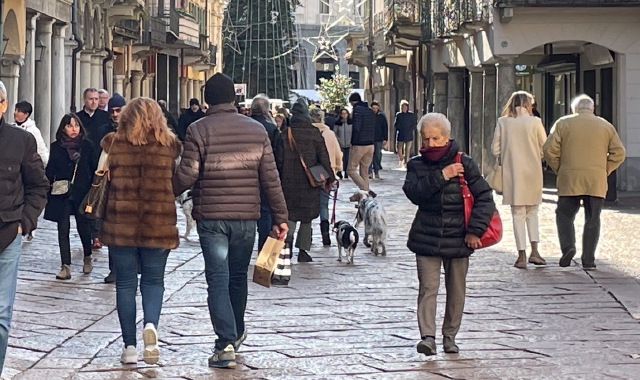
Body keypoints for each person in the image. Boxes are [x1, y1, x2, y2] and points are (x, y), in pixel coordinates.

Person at [173, 73, 288, 369]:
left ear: (207, 99)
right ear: (234, 99)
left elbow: (187, 175)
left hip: (211, 216)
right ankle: (235, 332)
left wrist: (165, 192)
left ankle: (225, 343)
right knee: (237, 277)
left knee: (218, 279)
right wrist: (280, 217)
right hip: (246, 217)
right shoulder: (257, 130)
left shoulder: (198, 130)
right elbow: (270, 178)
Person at [403, 112, 494, 356]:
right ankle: (428, 338)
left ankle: (450, 337)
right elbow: (415, 194)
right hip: (427, 237)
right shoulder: (416, 165)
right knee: (428, 289)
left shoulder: (466, 163)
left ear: (447, 137)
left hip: (459, 237)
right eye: (426, 139)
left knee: (456, 291)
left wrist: (475, 230)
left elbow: (485, 197)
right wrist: (442, 175)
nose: (430, 145)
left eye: (435, 139)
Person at [99, 97, 181, 365]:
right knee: (154, 282)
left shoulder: (113, 144)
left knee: (125, 284)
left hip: (121, 222)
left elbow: (99, 176)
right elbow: (177, 181)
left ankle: (129, 347)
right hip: (158, 223)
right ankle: (151, 326)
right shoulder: (169, 147)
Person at [543, 94, 626, 270]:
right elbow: (619, 152)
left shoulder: (563, 123)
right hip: (596, 179)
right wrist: (605, 170)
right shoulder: (605, 126)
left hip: (570, 178)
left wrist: (560, 168)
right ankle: (589, 259)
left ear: (574, 109)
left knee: (564, 214)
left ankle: (568, 246)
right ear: (592, 108)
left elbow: (549, 150)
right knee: (593, 218)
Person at [0, 81, 49, 374]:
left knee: (1, 313)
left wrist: (24, 223)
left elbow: (38, 186)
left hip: (7, 233)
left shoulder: (21, 140)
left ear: (3, 105)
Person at [492, 91, 547, 269]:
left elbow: (495, 149)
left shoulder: (503, 122)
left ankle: (521, 255)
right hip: (533, 171)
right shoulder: (535, 122)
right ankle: (535, 251)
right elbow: (544, 145)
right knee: (532, 212)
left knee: (517, 214)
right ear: (528, 104)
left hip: (513, 172)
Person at [276, 99, 335, 262]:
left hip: (288, 181)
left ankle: (287, 245)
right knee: (307, 217)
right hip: (310, 182)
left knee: (291, 214)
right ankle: (303, 250)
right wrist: (331, 178)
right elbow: (324, 158)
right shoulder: (314, 133)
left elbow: (278, 160)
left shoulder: (285, 133)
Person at [44, 114, 96, 280]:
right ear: (63, 128)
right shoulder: (56, 146)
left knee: (83, 226)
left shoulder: (86, 146)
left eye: (76, 126)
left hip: (82, 192)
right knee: (63, 228)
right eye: (69, 126)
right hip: (62, 193)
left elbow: (93, 168)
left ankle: (87, 256)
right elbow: (51, 168)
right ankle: (65, 265)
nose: (74, 129)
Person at [76, 88, 111, 249]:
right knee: (85, 197)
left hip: (100, 163)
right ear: (84, 100)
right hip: (83, 163)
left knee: (99, 196)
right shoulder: (77, 118)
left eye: (97, 99)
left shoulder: (104, 118)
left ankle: (96, 234)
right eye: (91, 99)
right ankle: (87, 233)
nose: (94, 102)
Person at [99, 93, 127, 284]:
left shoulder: (133, 131)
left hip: (127, 186)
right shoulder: (103, 130)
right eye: (112, 110)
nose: (115, 114)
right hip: (109, 185)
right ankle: (114, 269)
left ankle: (127, 267)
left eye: (119, 110)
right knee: (110, 228)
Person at [250, 94, 281, 251]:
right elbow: (277, 155)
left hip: (245, 176)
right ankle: (263, 248)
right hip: (265, 176)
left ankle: (245, 249)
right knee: (265, 212)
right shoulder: (271, 128)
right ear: (267, 110)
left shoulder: (244, 125)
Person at [310, 108, 342, 246]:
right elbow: (338, 153)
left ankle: (308, 236)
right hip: (327, 173)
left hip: (310, 173)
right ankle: (325, 234)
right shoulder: (329, 133)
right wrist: (337, 169)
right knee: (324, 205)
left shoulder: (307, 133)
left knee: (309, 205)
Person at [347, 92, 376, 196]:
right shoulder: (370, 111)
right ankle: (366, 198)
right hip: (371, 145)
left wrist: (353, 142)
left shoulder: (357, 110)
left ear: (353, 102)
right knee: (364, 172)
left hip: (359, 144)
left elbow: (357, 128)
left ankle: (366, 191)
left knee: (350, 170)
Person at [14, 101, 49, 167]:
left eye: (19, 111)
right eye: (15, 110)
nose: (15, 113)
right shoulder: (11, 127)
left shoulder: (34, 131)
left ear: (26, 114)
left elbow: (41, 149)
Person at [395, 100, 416, 169]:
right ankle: (401, 157)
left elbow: (414, 124)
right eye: (402, 106)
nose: (404, 108)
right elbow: (396, 124)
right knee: (399, 148)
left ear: (407, 107)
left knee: (407, 149)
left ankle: (406, 162)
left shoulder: (411, 115)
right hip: (401, 134)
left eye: (405, 106)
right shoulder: (399, 115)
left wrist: (410, 129)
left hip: (409, 134)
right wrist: (399, 128)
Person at [369, 101, 388, 179]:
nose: (375, 110)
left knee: (377, 155)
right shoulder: (368, 117)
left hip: (379, 138)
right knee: (369, 155)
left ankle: (376, 171)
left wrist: (385, 138)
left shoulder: (381, 117)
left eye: (376, 108)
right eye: (373, 108)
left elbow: (385, 128)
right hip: (369, 139)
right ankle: (369, 172)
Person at [334, 108, 352, 180]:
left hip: (348, 144)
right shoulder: (338, 123)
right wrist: (338, 140)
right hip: (340, 144)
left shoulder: (351, 123)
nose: (344, 115)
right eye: (343, 113)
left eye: (346, 113)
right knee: (340, 159)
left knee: (348, 159)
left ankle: (347, 172)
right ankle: (340, 172)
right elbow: (335, 133)